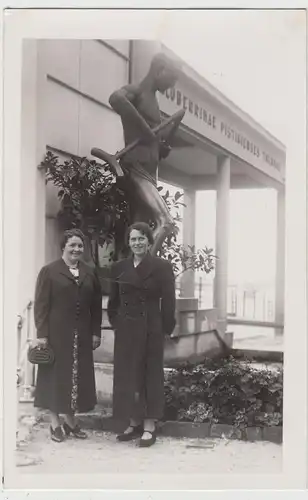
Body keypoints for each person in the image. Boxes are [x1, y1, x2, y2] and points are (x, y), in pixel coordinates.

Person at [107, 222, 176, 447]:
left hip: (151, 328)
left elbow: (169, 302)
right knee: (127, 376)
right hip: (126, 329)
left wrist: (166, 328)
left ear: (149, 241)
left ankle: (149, 426)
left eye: (141, 238)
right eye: (133, 239)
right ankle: (133, 422)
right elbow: (114, 302)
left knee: (149, 376)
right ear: (128, 242)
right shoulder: (119, 267)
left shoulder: (162, 267)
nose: (137, 243)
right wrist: (117, 324)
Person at [108, 52, 183, 255]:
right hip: (137, 170)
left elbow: (152, 141)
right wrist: (146, 130)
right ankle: (145, 268)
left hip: (148, 172)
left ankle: (134, 270)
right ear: (160, 70)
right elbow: (115, 99)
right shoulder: (137, 92)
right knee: (165, 222)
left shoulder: (153, 101)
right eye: (172, 78)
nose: (171, 85)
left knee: (138, 229)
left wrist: (160, 147)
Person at [33, 228, 102, 443]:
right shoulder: (49, 271)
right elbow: (41, 306)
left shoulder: (89, 272)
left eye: (80, 246)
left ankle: (71, 422)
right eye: (72, 245)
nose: (76, 249)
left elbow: (96, 307)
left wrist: (95, 332)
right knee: (55, 378)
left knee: (76, 379)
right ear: (63, 247)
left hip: (80, 335)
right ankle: (54, 423)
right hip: (56, 334)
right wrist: (42, 334)